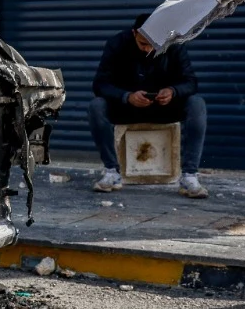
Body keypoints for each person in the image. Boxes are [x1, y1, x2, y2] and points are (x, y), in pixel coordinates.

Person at [88, 13, 208, 198]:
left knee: (196, 103)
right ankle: (112, 171)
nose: (148, 49)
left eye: (154, 45)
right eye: (143, 44)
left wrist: (173, 91)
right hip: (127, 108)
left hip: (164, 108)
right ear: (135, 33)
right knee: (97, 106)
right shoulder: (117, 44)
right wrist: (126, 96)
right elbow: (100, 84)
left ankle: (189, 175)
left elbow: (191, 82)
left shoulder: (174, 44)